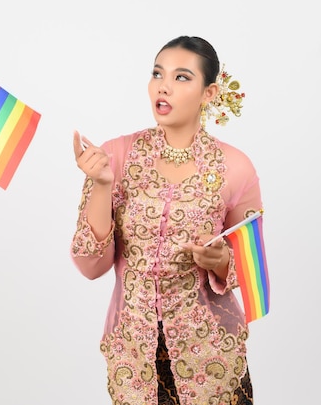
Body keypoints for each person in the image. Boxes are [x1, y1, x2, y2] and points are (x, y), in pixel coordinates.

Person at [71, 35, 265, 405]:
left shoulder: (236, 167)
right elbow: (89, 264)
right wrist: (100, 185)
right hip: (134, 355)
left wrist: (222, 261)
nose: (163, 85)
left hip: (211, 357)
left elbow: (254, 271)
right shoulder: (116, 155)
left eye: (181, 77)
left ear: (209, 93)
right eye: (157, 73)